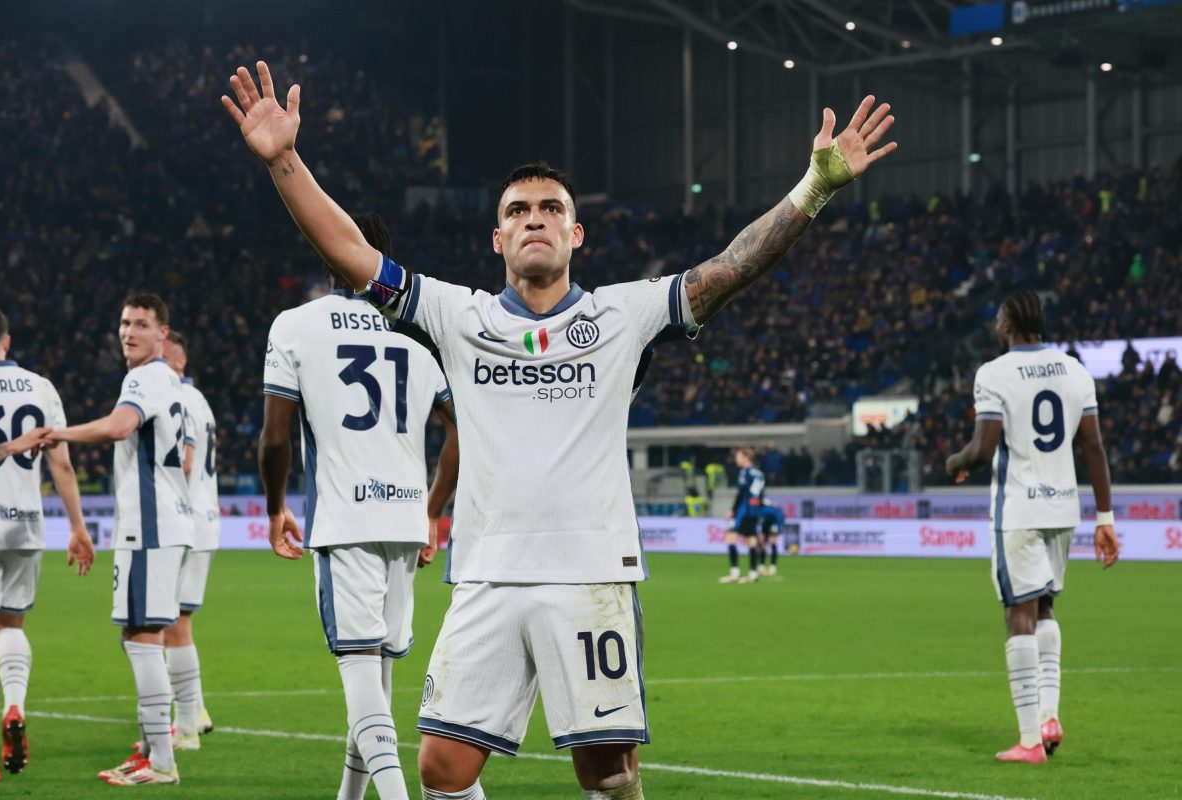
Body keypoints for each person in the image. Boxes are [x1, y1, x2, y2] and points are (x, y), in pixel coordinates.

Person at [223, 59, 895, 798]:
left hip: (591, 572)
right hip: (486, 573)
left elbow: (731, 267)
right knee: (441, 766)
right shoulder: (458, 316)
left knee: (606, 773)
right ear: (497, 238)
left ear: (576, 232)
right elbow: (352, 254)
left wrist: (814, 188)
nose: (534, 218)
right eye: (517, 210)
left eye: (549, 208)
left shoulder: (622, 314)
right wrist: (284, 160)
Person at [258, 213, 459, 800]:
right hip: (405, 519)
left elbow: (275, 438)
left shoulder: (295, 325)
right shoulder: (415, 337)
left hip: (346, 517)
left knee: (359, 669)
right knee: (378, 672)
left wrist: (275, 507)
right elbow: (463, 431)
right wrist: (433, 510)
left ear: (328, 254)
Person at [946, 290, 1119, 764]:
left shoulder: (994, 373)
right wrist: (1105, 518)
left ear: (1007, 324)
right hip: (1063, 508)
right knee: (1045, 607)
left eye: (998, 318)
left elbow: (983, 449)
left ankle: (1029, 742)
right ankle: (1048, 717)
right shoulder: (1075, 371)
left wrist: (956, 461)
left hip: (1020, 508)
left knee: (1018, 613)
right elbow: (1093, 447)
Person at [46, 294, 194, 786]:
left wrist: (60, 433)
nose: (129, 332)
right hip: (165, 525)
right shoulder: (170, 381)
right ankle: (150, 750)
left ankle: (161, 763)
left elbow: (119, 426)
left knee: (143, 638)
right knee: (137, 634)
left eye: (141, 324)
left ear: (162, 334)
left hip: (149, 529)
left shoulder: (144, 378)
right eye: (125, 322)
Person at [0, 306, 94, 782]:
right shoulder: (41, 387)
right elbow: (61, 464)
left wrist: (6, 448)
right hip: (26, 526)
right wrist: (78, 527)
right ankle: (16, 704)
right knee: (12, 624)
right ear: (7, 341)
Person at [160, 331, 218, 748]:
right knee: (177, 623)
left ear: (180, 362)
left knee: (169, 625)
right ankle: (195, 709)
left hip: (184, 522)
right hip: (204, 519)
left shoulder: (177, 397)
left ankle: (186, 720)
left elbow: (183, 461)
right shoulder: (200, 399)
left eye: (163, 357)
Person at [720, 448, 766, 584]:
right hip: (754, 510)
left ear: (746, 457)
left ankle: (734, 572)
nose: (736, 459)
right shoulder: (759, 473)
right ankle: (753, 574)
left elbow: (741, 493)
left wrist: (733, 510)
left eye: (738, 456)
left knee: (730, 538)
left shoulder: (745, 472)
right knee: (751, 540)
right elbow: (761, 495)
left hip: (744, 510)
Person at [758, 500, 786, 576]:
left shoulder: (762, 509)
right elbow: (781, 517)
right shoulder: (775, 510)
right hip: (772, 524)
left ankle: (762, 566)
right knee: (772, 544)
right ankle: (772, 566)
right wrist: (780, 527)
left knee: (763, 544)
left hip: (769, 524)